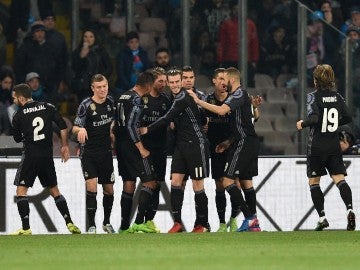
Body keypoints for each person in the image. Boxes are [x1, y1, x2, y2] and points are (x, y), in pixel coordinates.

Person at [187, 67, 259, 232]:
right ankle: (253, 223)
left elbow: (221, 111)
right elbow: (249, 118)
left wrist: (197, 101)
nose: (222, 82)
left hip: (244, 142)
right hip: (241, 142)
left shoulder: (239, 95)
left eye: (224, 78)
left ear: (231, 80)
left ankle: (250, 219)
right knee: (236, 181)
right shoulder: (241, 96)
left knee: (228, 181)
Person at [140, 68, 210, 233]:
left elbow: (166, 118)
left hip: (195, 144)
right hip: (180, 146)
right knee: (175, 183)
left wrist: (146, 130)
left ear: (181, 82)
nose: (174, 85)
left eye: (177, 81)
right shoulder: (172, 97)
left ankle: (203, 224)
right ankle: (177, 223)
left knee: (197, 185)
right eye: (171, 82)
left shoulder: (183, 97)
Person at [10, 83, 80, 235]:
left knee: (21, 191)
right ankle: (70, 223)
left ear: (21, 98)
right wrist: (64, 146)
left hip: (30, 156)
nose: (14, 101)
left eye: (15, 98)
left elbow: (16, 139)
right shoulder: (48, 107)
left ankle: (26, 228)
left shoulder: (18, 115)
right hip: (46, 156)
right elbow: (62, 125)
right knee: (55, 190)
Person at [296, 64, 356, 231]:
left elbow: (314, 119)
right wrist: (335, 123)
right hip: (333, 146)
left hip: (316, 147)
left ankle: (322, 217)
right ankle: (350, 209)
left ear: (315, 81)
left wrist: (302, 123)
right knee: (339, 179)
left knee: (314, 182)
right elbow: (348, 117)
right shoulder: (337, 97)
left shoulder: (312, 97)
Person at [114, 71, 159, 233]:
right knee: (150, 182)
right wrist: (141, 148)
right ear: (147, 86)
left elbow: (115, 124)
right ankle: (139, 222)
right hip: (133, 146)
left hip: (120, 146)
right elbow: (131, 126)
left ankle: (124, 227)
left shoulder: (122, 97)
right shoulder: (136, 100)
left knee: (129, 183)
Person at [72, 74, 116, 234]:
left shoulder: (111, 102)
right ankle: (91, 225)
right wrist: (80, 129)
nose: (102, 89)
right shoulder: (86, 105)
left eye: (104, 86)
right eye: (99, 87)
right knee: (92, 188)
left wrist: (113, 130)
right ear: (93, 88)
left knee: (109, 190)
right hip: (89, 153)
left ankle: (107, 222)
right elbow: (74, 128)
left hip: (106, 153)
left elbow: (115, 120)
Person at [140, 67, 172, 232]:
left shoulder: (166, 99)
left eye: (165, 81)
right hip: (145, 149)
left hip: (161, 148)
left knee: (158, 183)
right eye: (161, 81)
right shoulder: (142, 99)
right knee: (148, 183)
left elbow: (170, 120)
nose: (164, 84)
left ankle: (148, 221)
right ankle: (139, 221)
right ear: (152, 82)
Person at [71, 29, 113, 103]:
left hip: (99, 85)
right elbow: (75, 68)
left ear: (95, 38)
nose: (88, 39)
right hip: (84, 87)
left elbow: (109, 67)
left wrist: (100, 79)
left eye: (91, 37)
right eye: (85, 37)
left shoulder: (101, 51)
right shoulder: (77, 52)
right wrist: (82, 56)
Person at [115, 31, 151, 97]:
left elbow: (148, 68)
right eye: (131, 42)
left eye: (136, 42)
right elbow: (120, 72)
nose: (134, 44)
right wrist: (129, 86)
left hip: (141, 86)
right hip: (124, 87)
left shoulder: (143, 53)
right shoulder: (122, 55)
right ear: (127, 44)